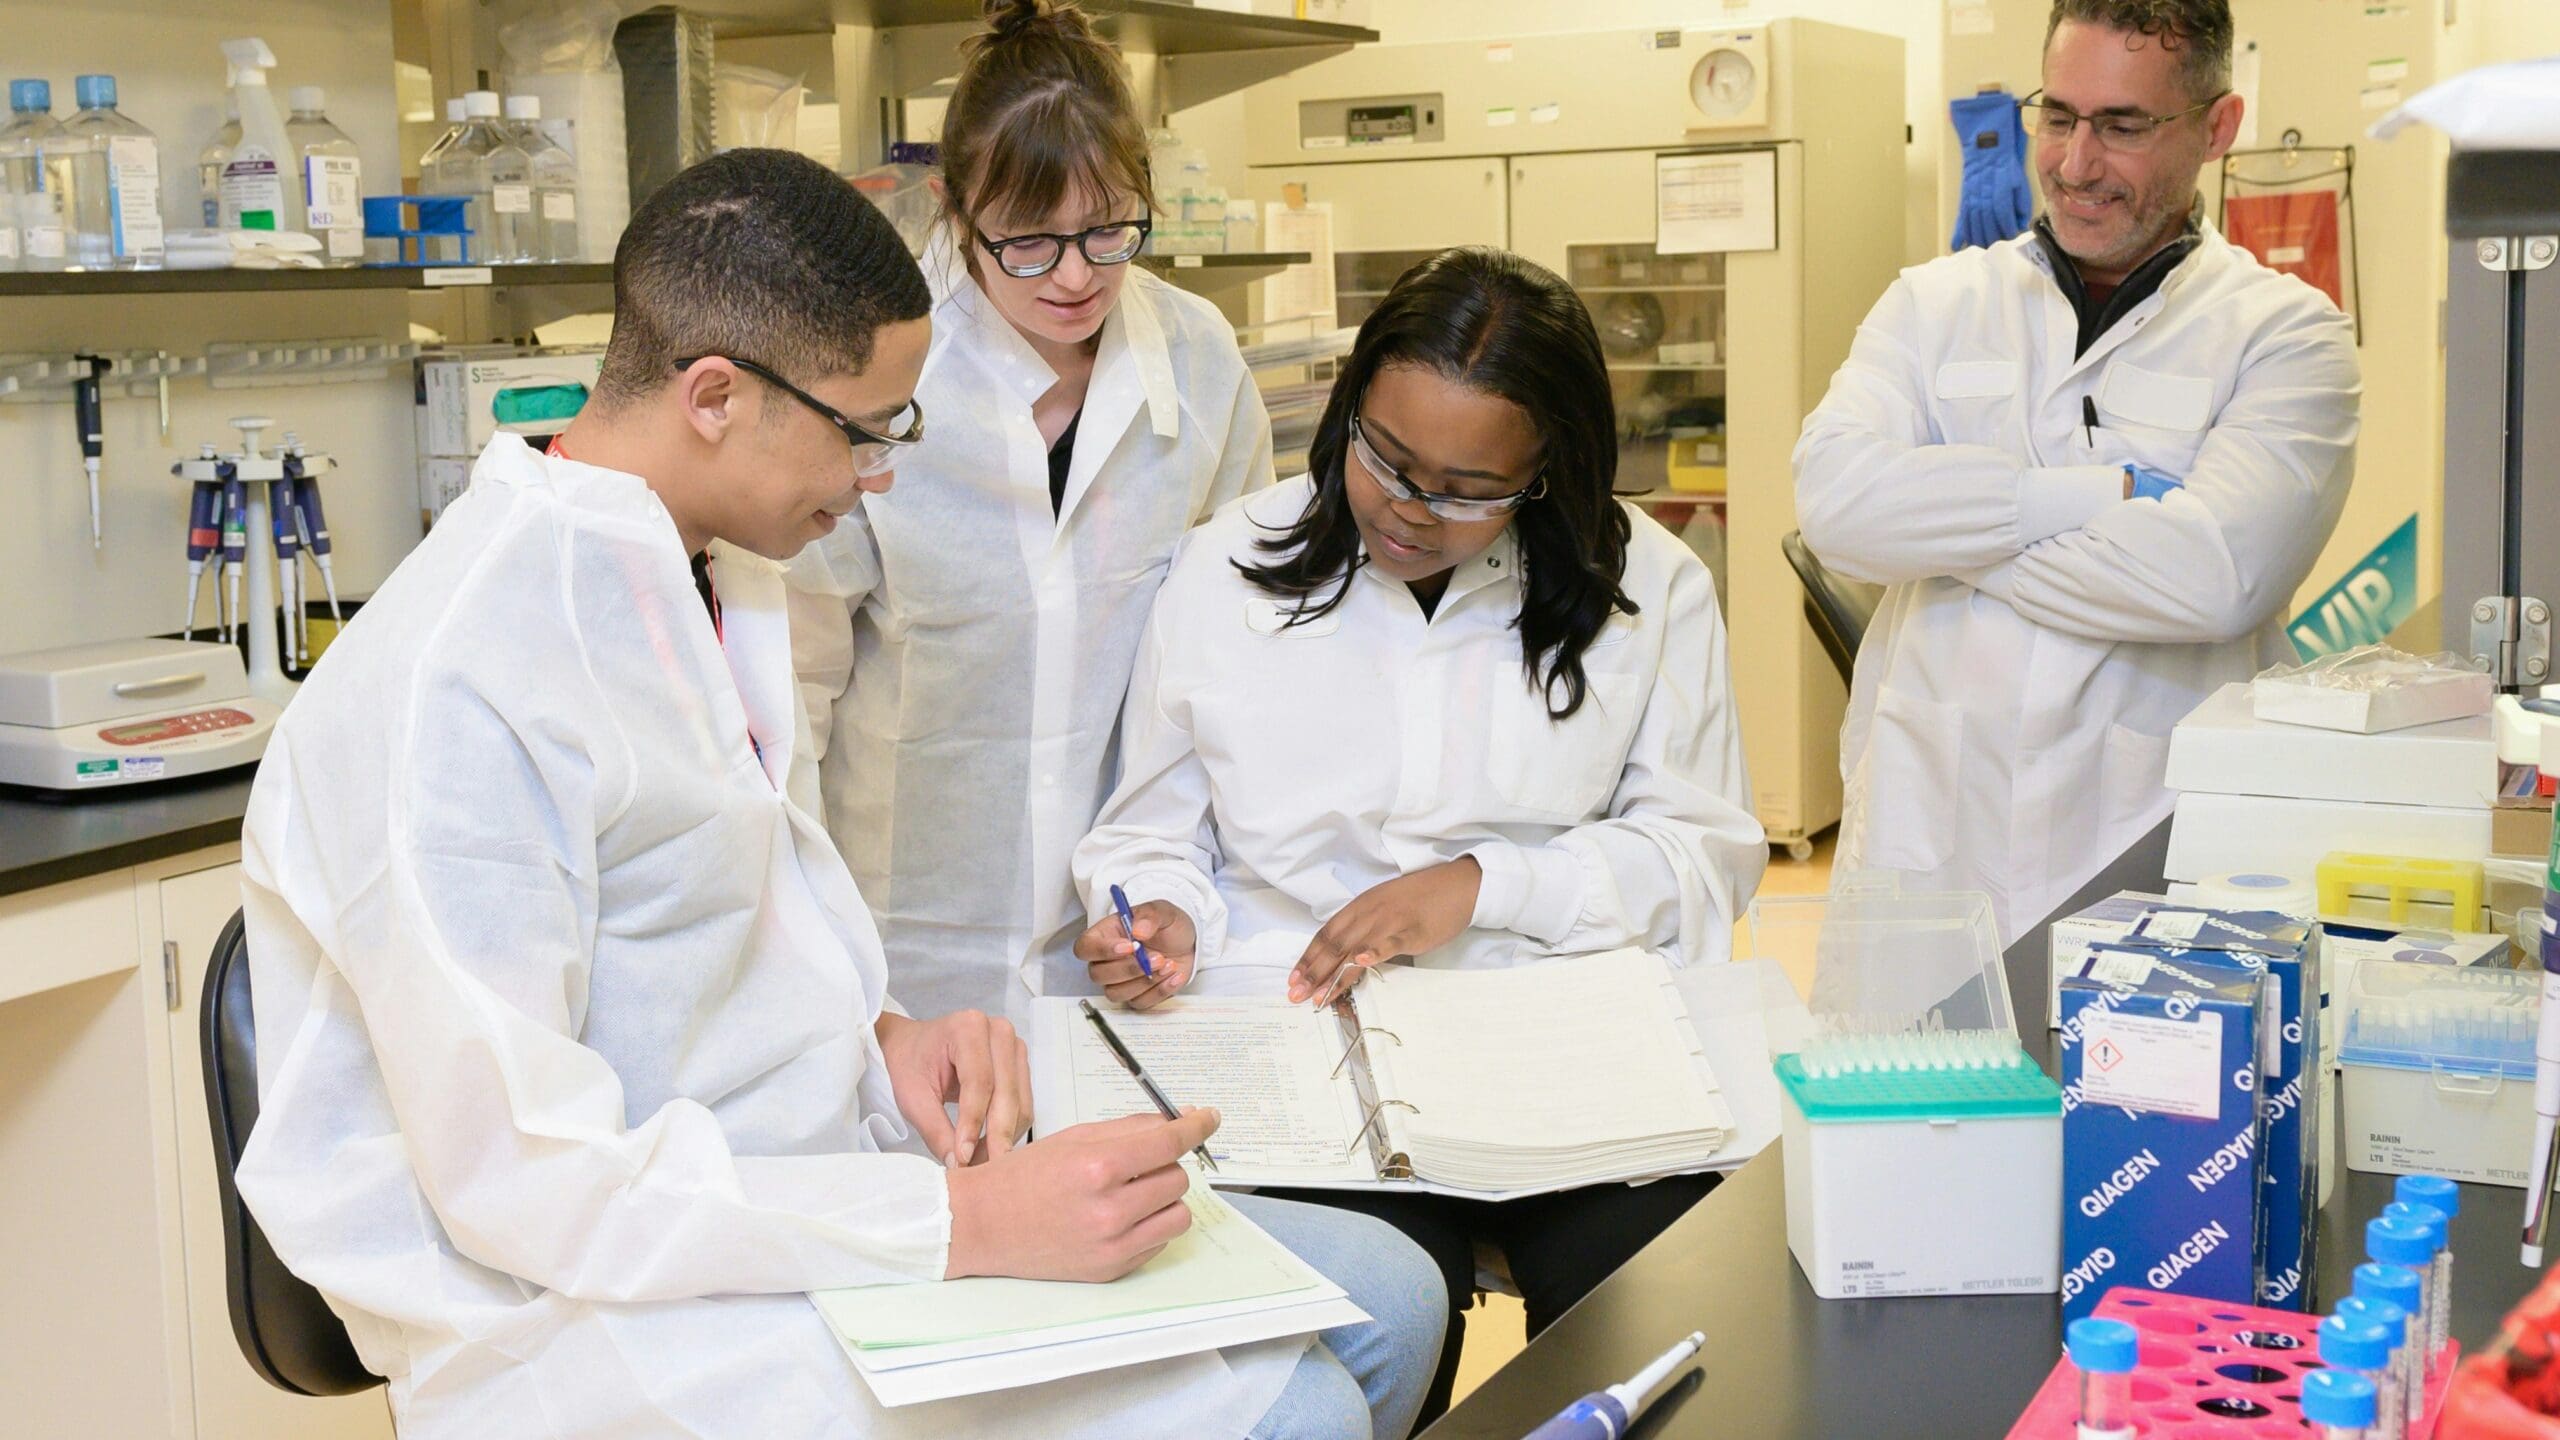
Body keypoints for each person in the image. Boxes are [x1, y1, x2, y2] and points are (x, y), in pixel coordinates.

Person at [235, 148, 1441, 1440]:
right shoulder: (456, 685)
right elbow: (528, 1182)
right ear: (715, 396)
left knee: (1395, 1296)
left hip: (793, 1189)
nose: (880, 477)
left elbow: (714, 936)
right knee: (1303, 1409)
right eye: (866, 432)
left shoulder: (712, 574)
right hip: (592, 1310)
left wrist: (885, 1038)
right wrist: (963, 1223)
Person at [1069, 246, 1768, 1423]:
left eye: (1466, 489)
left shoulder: (1648, 585)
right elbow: (1148, 831)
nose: (1408, 508)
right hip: (1307, 1055)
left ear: (1546, 474)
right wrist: (1158, 913)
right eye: (1385, 459)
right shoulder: (1226, 567)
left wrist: (1486, 886)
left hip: (1554, 1049)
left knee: (1653, 1308)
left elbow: (1699, 856)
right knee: (1380, 1325)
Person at [1793, 0, 2360, 944]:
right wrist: (2095, 499)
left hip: (2153, 837)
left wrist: (1944, 539)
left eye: (2124, 126)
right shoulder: (1932, 304)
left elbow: (2215, 581)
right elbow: (1836, 507)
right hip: (1934, 837)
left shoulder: (2287, 336)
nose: (2074, 162)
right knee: (1919, 1042)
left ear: (2218, 127)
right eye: (2057, 116)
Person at [787, 0, 1272, 1025]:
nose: (1076, 276)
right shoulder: (870, 373)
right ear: (955, 209)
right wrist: (797, 940)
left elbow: (1231, 655)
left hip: (1126, 931)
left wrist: (1180, 892)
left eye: (1109, 230)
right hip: (900, 942)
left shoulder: (1197, 360)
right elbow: (794, 683)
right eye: (1028, 242)